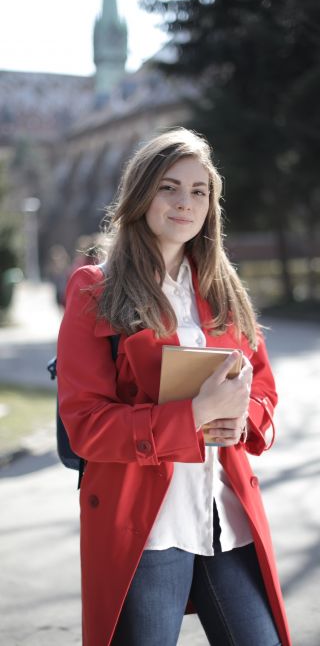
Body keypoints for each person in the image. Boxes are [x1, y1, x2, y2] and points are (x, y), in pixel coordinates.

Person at [57, 128, 291, 646]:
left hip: (226, 517)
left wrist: (243, 418)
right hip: (147, 527)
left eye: (199, 191)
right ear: (141, 195)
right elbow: (86, 428)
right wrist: (192, 416)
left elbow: (265, 390)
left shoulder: (221, 285)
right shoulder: (94, 287)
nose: (185, 202)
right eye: (169, 187)